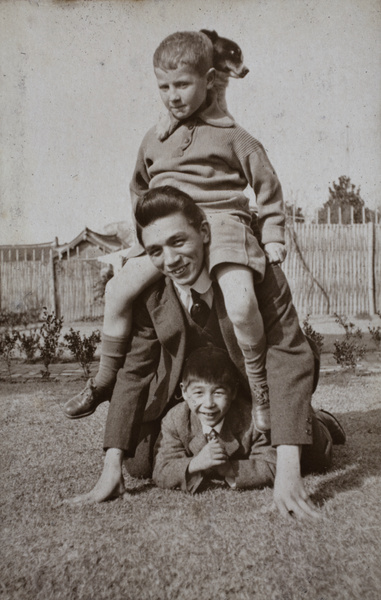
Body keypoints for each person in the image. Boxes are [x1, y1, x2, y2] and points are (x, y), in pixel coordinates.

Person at [68, 186, 346, 521]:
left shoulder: (257, 273)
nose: (170, 260)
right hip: (189, 392)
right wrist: (110, 465)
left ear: (203, 232)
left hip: (253, 386)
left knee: (313, 453)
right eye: (155, 250)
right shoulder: (150, 291)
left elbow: (288, 354)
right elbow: (135, 370)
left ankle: (320, 419)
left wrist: (288, 473)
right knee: (138, 464)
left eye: (178, 241)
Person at [65, 30, 289, 432]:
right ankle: (102, 380)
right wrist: (143, 236)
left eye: (183, 84)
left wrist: (272, 233)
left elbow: (267, 184)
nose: (173, 95)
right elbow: (139, 187)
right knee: (118, 291)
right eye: (164, 86)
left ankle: (260, 390)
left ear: (210, 78)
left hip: (220, 223)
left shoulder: (232, 135)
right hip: (169, 230)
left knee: (239, 302)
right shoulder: (154, 138)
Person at [153, 346, 342, 495]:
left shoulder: (252, 420)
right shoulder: (175, 420)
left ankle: (320, 419)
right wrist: (195, 463)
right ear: (184, 392)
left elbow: (272, 463)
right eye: (198, 393)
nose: (208, 403)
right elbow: (161, 468)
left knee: (316, 459)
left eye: (218, 393)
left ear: (233, 393)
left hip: (309, 428)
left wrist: (230, 469)